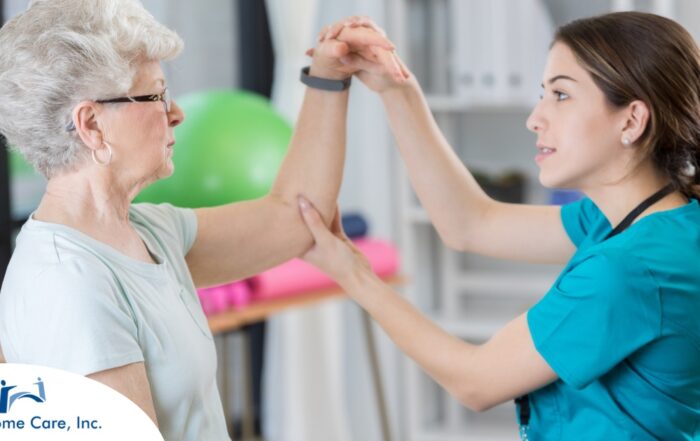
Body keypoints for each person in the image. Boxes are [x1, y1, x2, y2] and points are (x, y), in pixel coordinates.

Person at [0, 1, 398, 439]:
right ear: (92, 125)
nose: (176, 112)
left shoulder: (148, 231)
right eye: (154, 94)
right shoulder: (67, 283)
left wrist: (327, 76)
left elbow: (297, 218)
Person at [298, 11, 700, 440]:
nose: (535, 118)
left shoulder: (627, 270)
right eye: (542, 93)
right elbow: (471, 224)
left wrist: (352, 273)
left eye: (561, 95)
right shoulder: (654, 219)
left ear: (632, 120)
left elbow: (475, 381)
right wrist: (397, 89)